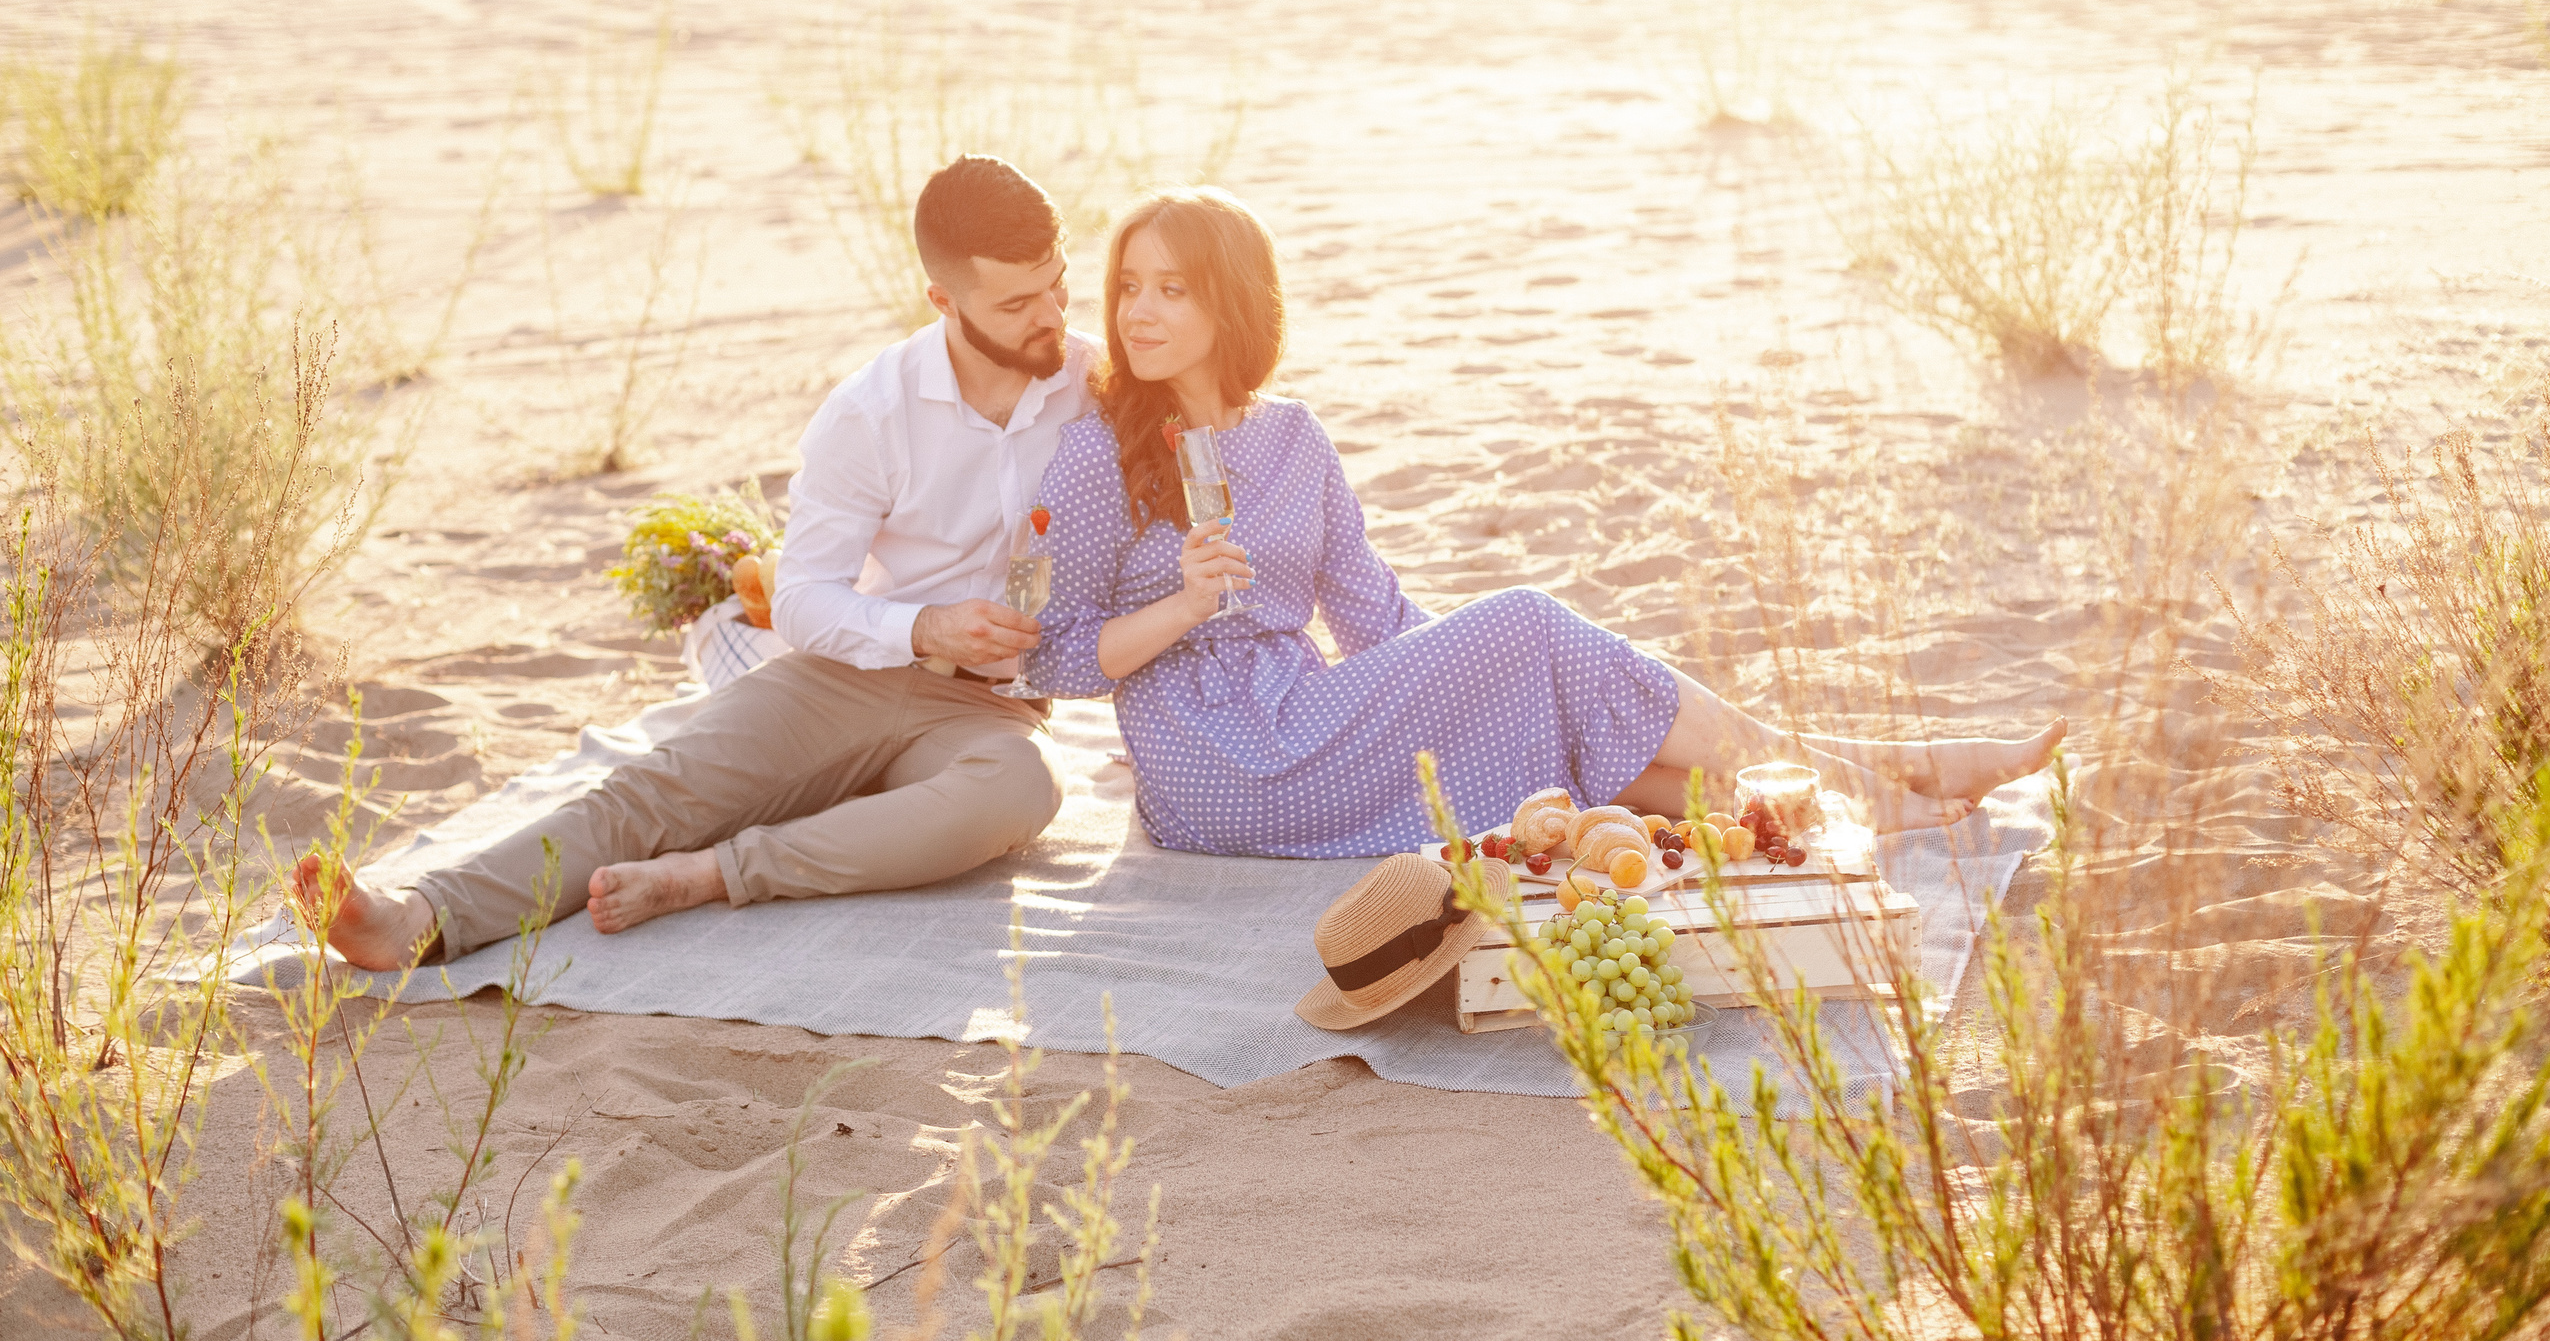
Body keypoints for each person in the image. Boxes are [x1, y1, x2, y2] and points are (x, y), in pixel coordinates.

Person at [1020, 187, 2065, 858]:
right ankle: (1866, 767)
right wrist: (1185, 604)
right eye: (1127, 290)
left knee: (1551, 701)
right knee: (1527, 624)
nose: (1138, 314)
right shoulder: (1097, 452)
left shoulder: (1294, 440)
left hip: (1312, 714)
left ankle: (1819, 796)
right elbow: (1056, 663)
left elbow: (1378, 620)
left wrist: (1496, 680)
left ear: (1232, 305)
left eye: (1171, 290)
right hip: (1212, 767)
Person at [299, 156, 1098, 968]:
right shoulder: (869, 412)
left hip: (991, 709)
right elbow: (806, 602)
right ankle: (421, 916)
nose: (1053, 316)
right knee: (654, 793)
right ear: (943, 301)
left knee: (1023, 790)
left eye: (1059, 285)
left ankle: (713, 874)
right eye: (1018, 302)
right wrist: (927, 625)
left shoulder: (1095, 380)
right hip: (847, 676)